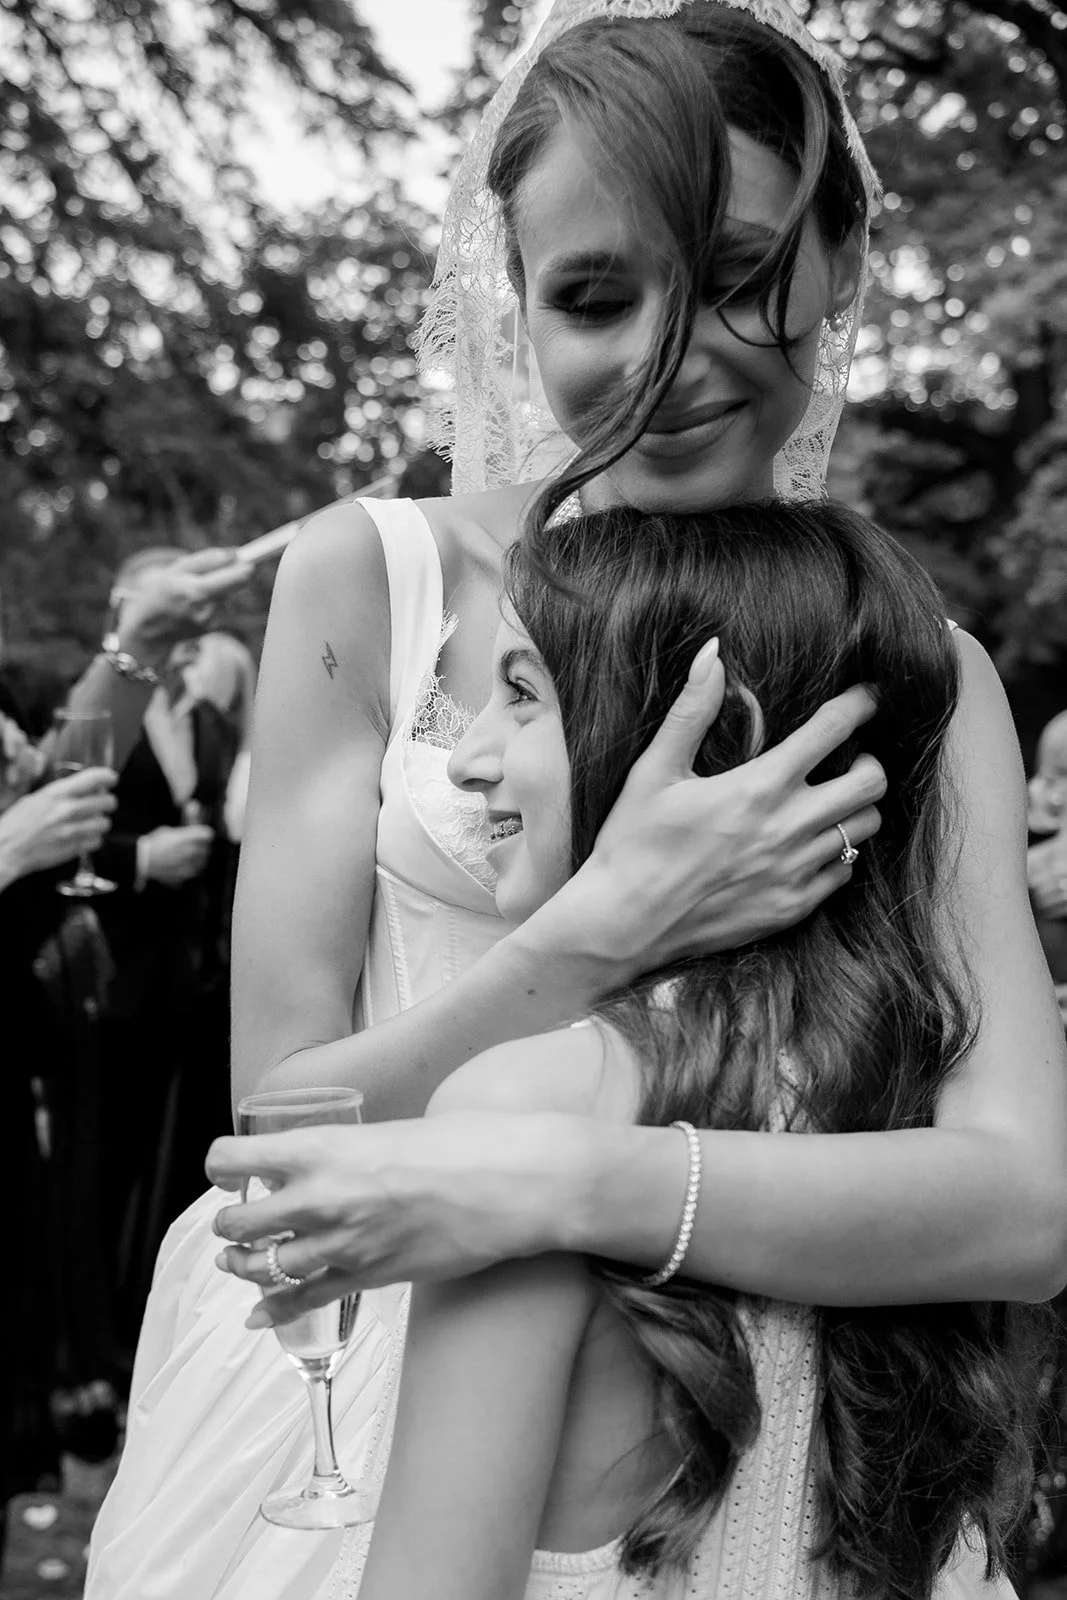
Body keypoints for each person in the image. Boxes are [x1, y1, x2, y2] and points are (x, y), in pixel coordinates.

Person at [89, 5, 1065, 1598]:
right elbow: (276, 1139)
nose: (669, 358)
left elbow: (1020, 1206)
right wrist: (602, 928)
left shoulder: (916, 667)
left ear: (838, 261)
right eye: (599, 295)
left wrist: (568, 1183)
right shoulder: (373, 579)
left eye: (739, 273)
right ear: (520, 303)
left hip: (771, 1413)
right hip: (361, 1379)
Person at [335, 499, 1035, 1599]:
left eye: (519, 691)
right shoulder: (914, 1096)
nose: (467, 758)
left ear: (715, 741)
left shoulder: (525, 1102)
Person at [92, 557, 250, 1342]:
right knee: (99, 1165)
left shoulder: (213, 724)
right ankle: (82, 1350)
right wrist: (140, 859)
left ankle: (142, 1331)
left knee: (174, 1171)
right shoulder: (94, 710)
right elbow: (59, 833)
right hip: (109, 974)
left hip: (192, 984)